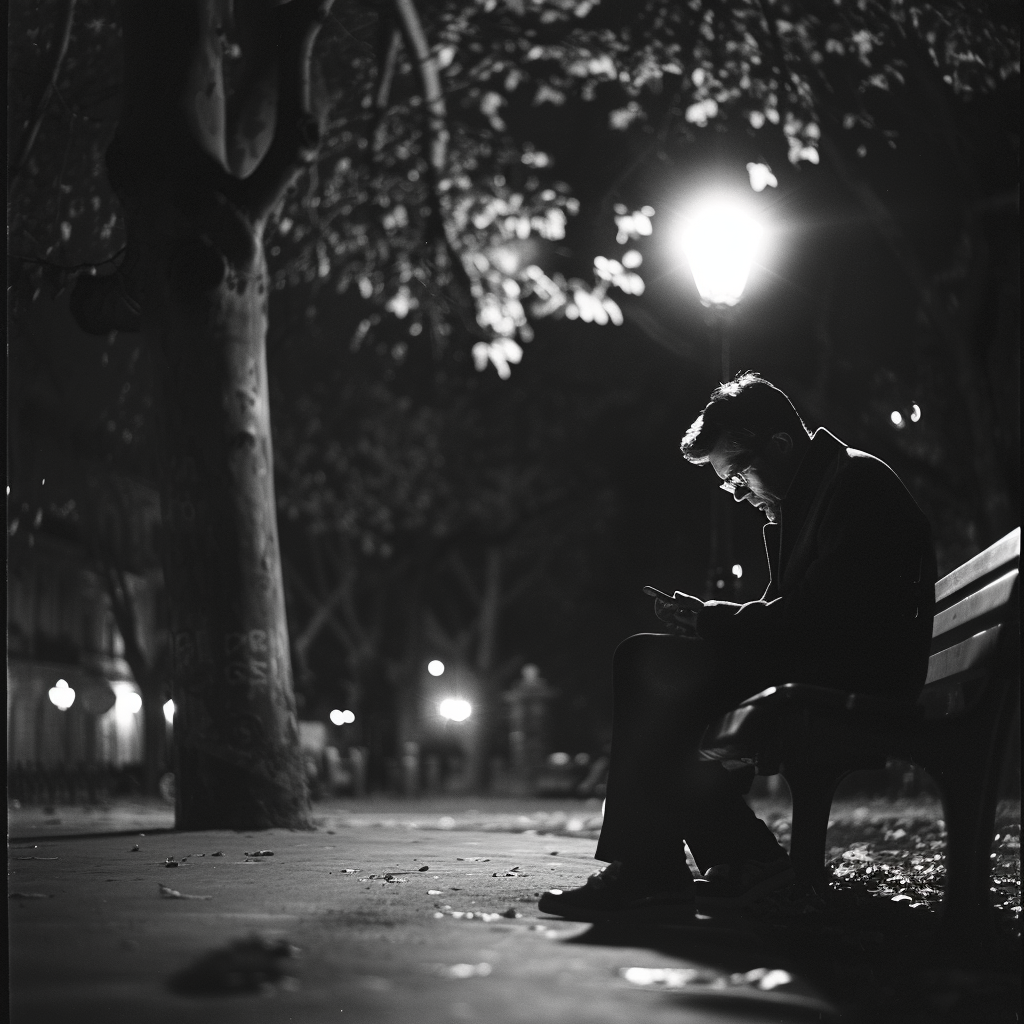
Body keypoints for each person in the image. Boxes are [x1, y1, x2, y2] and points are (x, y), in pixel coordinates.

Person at [539, 372, 936, 923]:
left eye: (738, 474)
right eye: (728, 482)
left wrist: (716, 621)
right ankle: (738, 858)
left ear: (779, 445)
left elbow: (815, 619)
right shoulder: (818, 492)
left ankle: (667, 867)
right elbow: (800, 618)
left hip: (852, 677)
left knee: (646, 666)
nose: (738, 492)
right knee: (652, 685)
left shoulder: (855, 485)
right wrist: (710, 619)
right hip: (827, 666)